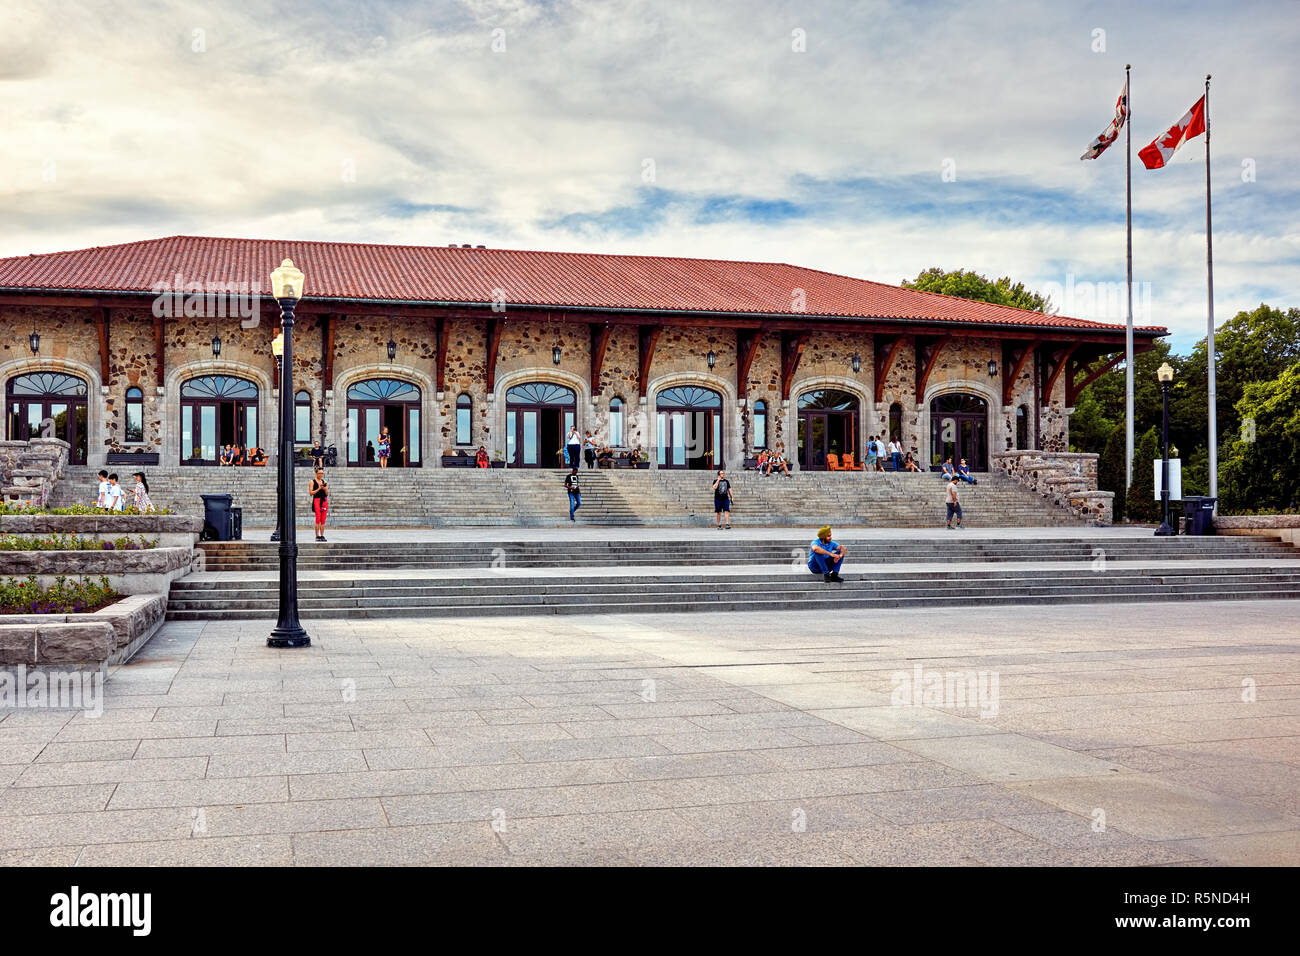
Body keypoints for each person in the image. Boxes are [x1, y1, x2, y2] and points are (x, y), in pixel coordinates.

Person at [309, 468, 330, 541]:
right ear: (316, 473)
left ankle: (322, 535)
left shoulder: (324, 481)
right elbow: (311, 493)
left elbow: (327, 494)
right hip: (317, 500)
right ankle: (317, 535)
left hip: (324, 500)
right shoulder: (312, 481)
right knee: (318, 518)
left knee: (323, 519)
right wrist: (318, 488)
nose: (321, 475)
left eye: (322, 473)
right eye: (319, 473)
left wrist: (325, 489)